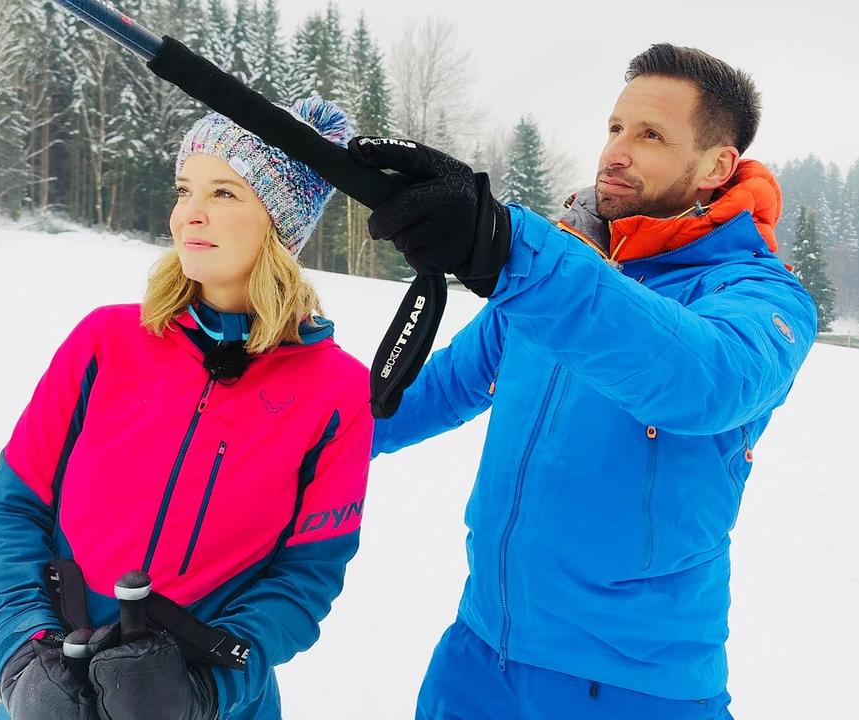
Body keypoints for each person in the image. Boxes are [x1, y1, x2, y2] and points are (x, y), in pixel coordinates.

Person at [348, 44, 817, 718]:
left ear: (716, 165)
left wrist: (511, 251)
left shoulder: (758, 295)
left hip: (634, 690)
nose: (617, 151)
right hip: (479, 659)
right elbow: (439, 390)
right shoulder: (556, 269)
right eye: (615, 128)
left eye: (650, 134)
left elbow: (704, 380)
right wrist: (276, 434)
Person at [0, 97, 373, 720]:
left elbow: (305, 578)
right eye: (185, 189)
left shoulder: (336, 391)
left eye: (224, 193)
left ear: (279, 223)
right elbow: (12, 508)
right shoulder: (104, 342)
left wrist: (207, 687)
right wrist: (24, 653)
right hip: (56, 693)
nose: (190, 213)